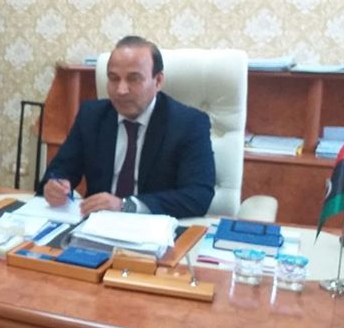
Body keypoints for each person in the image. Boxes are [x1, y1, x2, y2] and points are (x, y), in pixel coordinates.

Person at [40, 36, 214, 218]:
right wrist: (55, 185)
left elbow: (198, 196)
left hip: (154, 226)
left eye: (134, 79)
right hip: (97, 225)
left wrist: (126, 205)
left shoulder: (189, 123)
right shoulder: (91, 116)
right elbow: (60, 169)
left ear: (158, 81)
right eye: (114, 79)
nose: (121, 90)